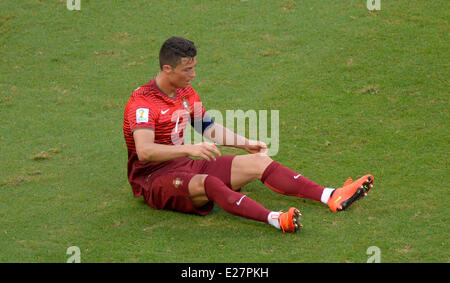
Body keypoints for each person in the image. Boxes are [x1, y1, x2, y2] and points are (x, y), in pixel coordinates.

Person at [123, 36, 374, 233]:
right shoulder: (143, 103)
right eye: (187, 69)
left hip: (182, 164)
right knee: (209, 183)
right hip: (153, 179)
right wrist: (188, 148)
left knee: (260, 161)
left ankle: (330, 195)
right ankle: (275, 219)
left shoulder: (185, 93)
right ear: (167, 69)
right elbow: (145, 152)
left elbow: (207, 127)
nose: (193, 75)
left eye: (194, 67)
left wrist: (245, 144)